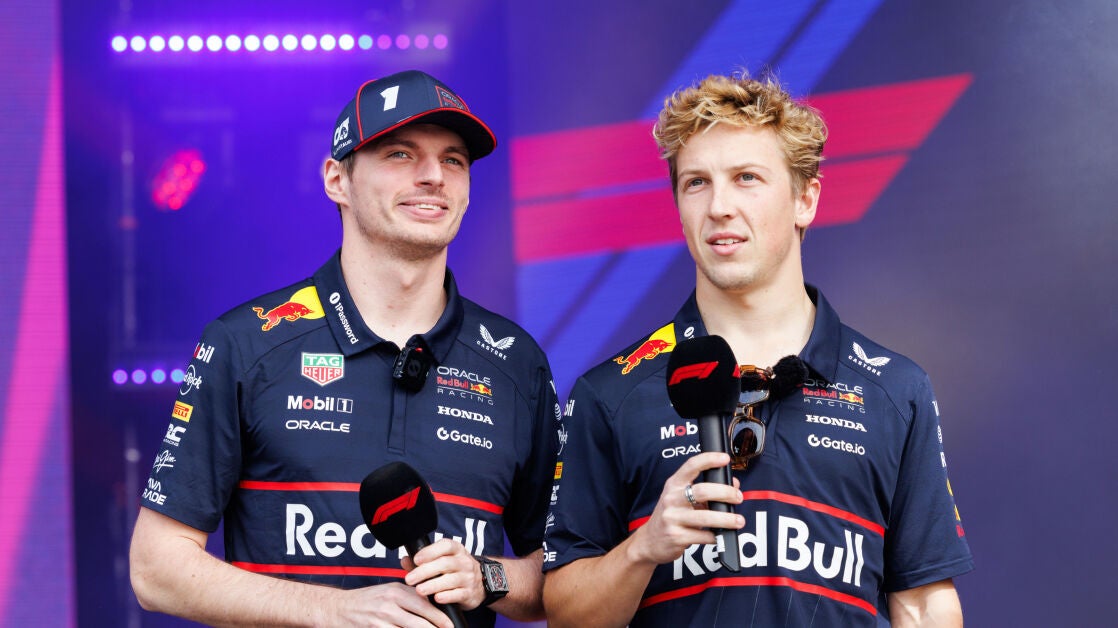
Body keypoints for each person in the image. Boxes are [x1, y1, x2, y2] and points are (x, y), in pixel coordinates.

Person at [129, 69, 560, 628]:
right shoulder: (246, 343)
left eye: (453, 160)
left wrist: (487, 576)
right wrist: (332, 610)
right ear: (337, 179)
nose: (433, 176)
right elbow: (155, 568)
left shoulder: (515, 362)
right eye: (401, 154)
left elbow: (565, 578)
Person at [541, 73, 973, 627]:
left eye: (746, 178)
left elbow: (923, 602)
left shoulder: (895, 389)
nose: (719, 206)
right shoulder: (611, 392)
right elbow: (565, 615)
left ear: (805, 199)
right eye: (697, 183)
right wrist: (643, 548)